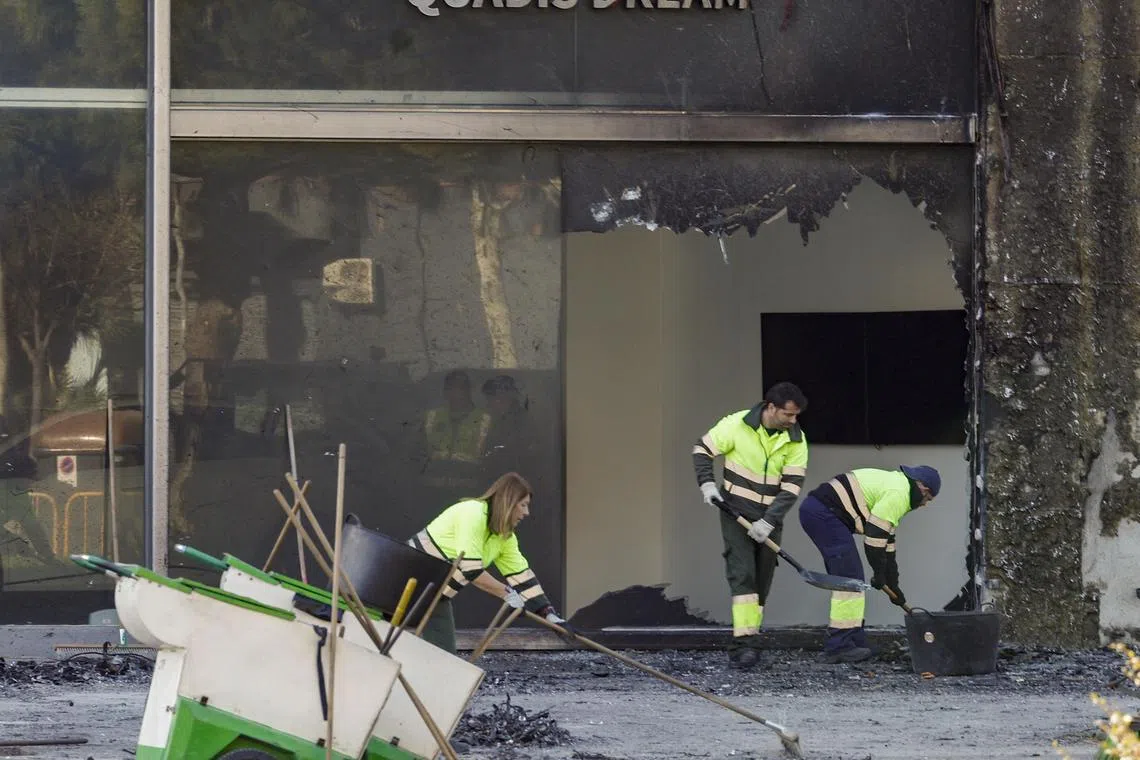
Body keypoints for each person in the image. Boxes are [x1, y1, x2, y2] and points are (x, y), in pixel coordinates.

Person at [692, 382, 809, 669]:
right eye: (788, 415)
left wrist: (768, 523)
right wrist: (707, 484)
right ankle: (743, 647)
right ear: (771, 408)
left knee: (761, 579)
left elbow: (791, 487)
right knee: (743, 575)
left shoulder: (796, 439)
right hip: (736, 511)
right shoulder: (737, 425)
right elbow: (702, 450)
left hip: (771, 517)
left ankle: (751, 639)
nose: (793, 421)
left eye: (796, 416)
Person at [406, 471, 569, 654]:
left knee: (446, 658)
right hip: (404, 584)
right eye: (523, 505)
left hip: (434, 597)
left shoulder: (504, 537)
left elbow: (522, 577)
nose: (526, 512)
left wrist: (549, 615)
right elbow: (471, 569)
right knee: (379, 642)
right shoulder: (473, 512)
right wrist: (507, 594)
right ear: (509, 501)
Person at [798, 465, 941, 664]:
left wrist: (893, 585)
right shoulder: (898, 494)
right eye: (928, 500)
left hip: (823, 513)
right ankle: (839, 647)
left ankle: (855, 641)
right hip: (824, 515)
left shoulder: (898, 487)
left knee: (851, 580)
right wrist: (878, 573)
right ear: (924, 489)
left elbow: (887, 546)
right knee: (850, 582)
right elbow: (873, 540)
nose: (925, 504)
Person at [420, 370, 492, 497]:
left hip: (468, 493)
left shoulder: (485, 420)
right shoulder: (431, 417)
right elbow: (417, 454)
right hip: (431, 493)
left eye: (461, 387)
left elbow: (492, 461)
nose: (455, 392)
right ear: (445, 392)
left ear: (469, 391)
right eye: (450, 388)